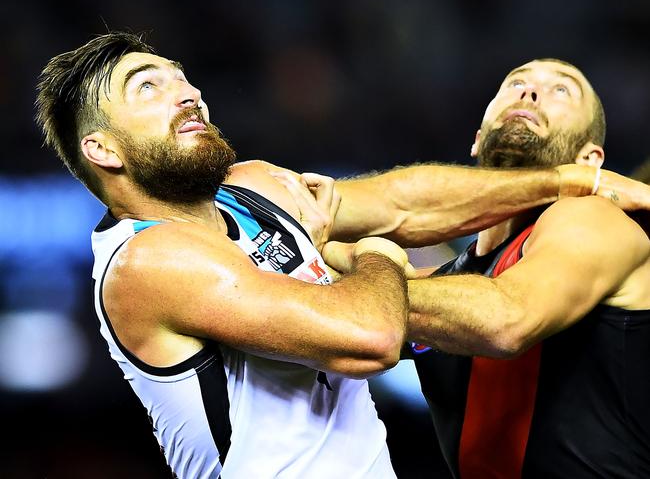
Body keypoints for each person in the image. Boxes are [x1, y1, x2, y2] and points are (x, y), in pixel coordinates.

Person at [36, 32, 650, 478]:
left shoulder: (251, 188)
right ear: (104, 149)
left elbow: (404, 204)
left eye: (180, 76)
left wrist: (570, 182)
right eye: (150, 87)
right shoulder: (147, 263)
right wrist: (371, 254)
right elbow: (370, 333)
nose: (187, 92)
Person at [397, 59, 649, 478]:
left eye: (561, 90)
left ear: (591, 159)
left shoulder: (592, 220)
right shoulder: (450, 285)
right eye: (517, 83)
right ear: (477, 140)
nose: (530, 92)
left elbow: (505, 318)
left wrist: (374, 270)